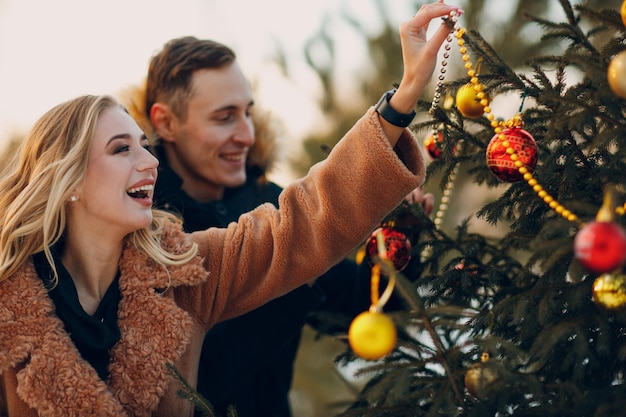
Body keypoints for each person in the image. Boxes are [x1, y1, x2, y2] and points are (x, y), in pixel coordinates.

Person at [0, 3, 461, 417]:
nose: (245, 133)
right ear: (68, 180)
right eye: (122, 148)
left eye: (247, 112)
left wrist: (402, 103)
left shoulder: (184, 267)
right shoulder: (11, 305)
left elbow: (307, 222)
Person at [121, 32, 435, 417]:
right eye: (224, 118)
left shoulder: (270, 202)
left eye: (247, 113)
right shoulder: (139, 224)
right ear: (166, 122)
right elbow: (188, 383)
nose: (246, 135)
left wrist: (398, 245)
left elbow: (361, 312)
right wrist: (300, 256)